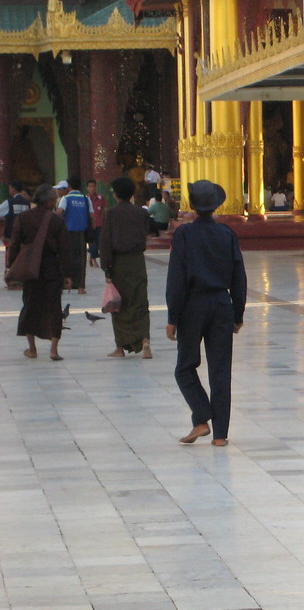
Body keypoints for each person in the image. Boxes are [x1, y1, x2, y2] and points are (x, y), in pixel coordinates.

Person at [166, 180, 247, 447]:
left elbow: (176, 278)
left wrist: (172, 317)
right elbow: (239, 276)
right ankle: (220, 435)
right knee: (220, 371)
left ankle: (201, 418)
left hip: (192, 306)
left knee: (185, 367)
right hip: (221, 304)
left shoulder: (184, 234)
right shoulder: (226, 234)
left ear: (192, 205)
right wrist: (238, 313)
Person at [10, 184, 73, 361]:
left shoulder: (23, 218)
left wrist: (11, 267)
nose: (55, 201)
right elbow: (65, 249)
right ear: (48, 201)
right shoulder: (56, 221)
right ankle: (53, 350)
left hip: (31, 269)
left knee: (30, 305)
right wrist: (68, 274)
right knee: (54, 307)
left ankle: (32, 349)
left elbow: (14, 244)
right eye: (54, 198)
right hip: (52, 268)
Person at [101, 177, 152, 359]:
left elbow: (106, 241)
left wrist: (106, 267)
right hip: (137, 261)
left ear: (116, 193)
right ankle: (145, 340)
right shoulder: (141, 213)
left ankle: (120, 347)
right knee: (140, 301)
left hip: (119, 263)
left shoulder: (111, 213)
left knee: (119, 305)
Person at [56, 177, 91, 294]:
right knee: (81, 260)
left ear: (69, 187)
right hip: (81, 233)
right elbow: (92, 216)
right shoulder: (86, 199)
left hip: (67, 234)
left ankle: (64, 284)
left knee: (65, 258)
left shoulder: (65, 198)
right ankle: (81, 287)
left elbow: (59, 213)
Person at [2, 180, 33, 285]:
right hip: (25, 237)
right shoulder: (27, 203)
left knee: (11, 257)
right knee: (23, 257)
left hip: (12, 236)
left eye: (10, 188)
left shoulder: (9, 202)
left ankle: (12, 279)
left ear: (13, 188)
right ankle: (22, 279)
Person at [85, 179, 106, 268]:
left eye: (94, 186)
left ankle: (91, 256)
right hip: (90, 225)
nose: (92, 188)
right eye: (90, 187)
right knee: (92, 242)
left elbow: (104, 210)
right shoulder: (85, 198)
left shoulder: (101, 198)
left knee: (99, 242)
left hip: (99, 223)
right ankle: (94, 260)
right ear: (87, 188)